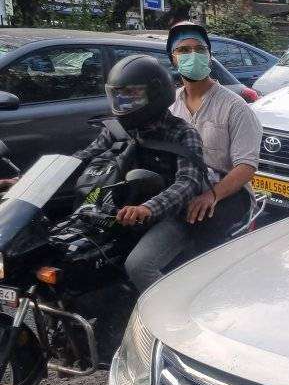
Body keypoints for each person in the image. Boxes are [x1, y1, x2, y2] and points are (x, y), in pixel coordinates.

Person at [75, 54, 210, 292]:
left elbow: (188, 183)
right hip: (123, 206)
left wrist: (148, 208)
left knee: (139, 265)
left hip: (174, 215)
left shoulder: (182, 133)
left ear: (155, 94)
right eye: (119, 98)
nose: (123, 106)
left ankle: (171, 319)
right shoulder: (118, 128)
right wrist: (31, 180)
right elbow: (85, 155)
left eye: (131, 98)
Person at [166, 22, 262, 246]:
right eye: (184, 50)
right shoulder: (171, 104)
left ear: (209, 57)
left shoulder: (235, 107)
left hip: (227, 192)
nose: (193, 55)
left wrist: (213, 195)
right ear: (173, 59)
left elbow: (246, 166)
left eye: (200, 50)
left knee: (201, 228)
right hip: (183, 186)